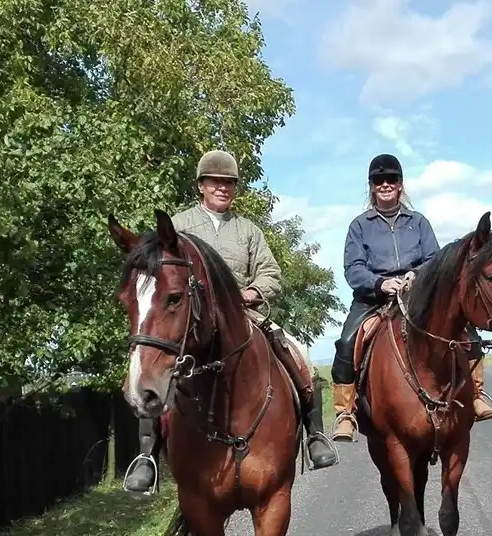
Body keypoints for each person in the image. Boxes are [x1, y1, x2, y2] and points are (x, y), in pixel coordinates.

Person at [122, 149, 338, 494]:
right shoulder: (177, 226)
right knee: (153, 365)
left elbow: (271, 273)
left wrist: (251, 293)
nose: (222, 188)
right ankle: (147, 456)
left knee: (298, 352)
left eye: (229, 183)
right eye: (215, 182)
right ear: (201, 185)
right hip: (192, 320)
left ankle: (314, 435)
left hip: (242, 313)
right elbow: (159, 276)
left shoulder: (248, 231)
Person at [328, 153, 492, 442]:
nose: (385, 184)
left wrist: (416, 275)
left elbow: (435, 260)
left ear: (401, 184)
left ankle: (477, 395)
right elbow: (353, 268)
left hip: (418, 295)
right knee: (346, 343)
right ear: (371, 186)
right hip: (374, 298)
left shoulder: (418, 222)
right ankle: (345, 412)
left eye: (391, 179)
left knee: (468, 333)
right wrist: (380, 284)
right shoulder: (359, 226)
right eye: (378, 180)